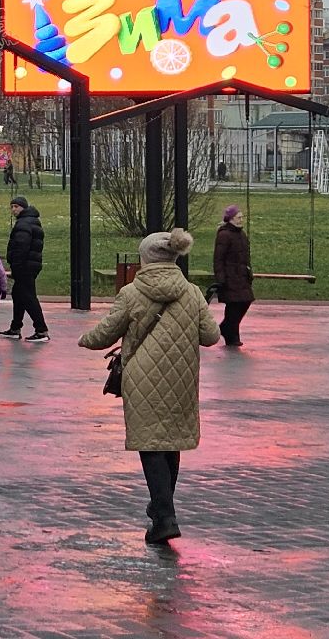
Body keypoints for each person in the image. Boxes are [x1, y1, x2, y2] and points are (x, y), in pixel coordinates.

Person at [78, 229, 219, 544]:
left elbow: (105, 333)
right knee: (170, 442)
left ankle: (165, 515)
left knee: (151, 443)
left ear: (145, 259)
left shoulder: (132, 292)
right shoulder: (192, 293)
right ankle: (161, 509)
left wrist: (85, 339)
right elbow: (211, 337)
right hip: (183, 378)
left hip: (142, 378)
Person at [1, 196, 49, 342]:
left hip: (24, 266)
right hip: (30, 265)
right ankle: (15, 327)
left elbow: (21, 246)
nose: (13, 210)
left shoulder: (23, 224)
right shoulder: (31, 221)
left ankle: (41, 330)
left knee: (28, 297)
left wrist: (16, 265)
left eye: (16, 206)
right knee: (18, 294)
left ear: (23, 207)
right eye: (12, 207)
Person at [214, 206, 254, 348]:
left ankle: (227, 330)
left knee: (244, 302)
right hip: (230, 277)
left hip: (241, 276)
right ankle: (231, 335)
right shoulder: (225, 235)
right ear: (230, 219)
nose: (241, 220)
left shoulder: (241, 234)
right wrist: (221, 278)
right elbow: (218, 259)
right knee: (234, 306)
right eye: (238, 217)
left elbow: (245, 256)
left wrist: (249, 272)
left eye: (242, 217)